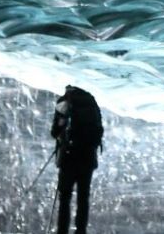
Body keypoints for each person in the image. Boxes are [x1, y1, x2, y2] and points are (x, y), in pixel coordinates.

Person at [50, 85, 103, 234]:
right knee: (83, 197)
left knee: (65, 197)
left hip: (69, 157)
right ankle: (81, 231)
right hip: (88, 157)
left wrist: (59, 134)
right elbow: (98, 129)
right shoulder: (91, 101)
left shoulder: (65, 101)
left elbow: (55, 131)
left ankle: (62, 231)